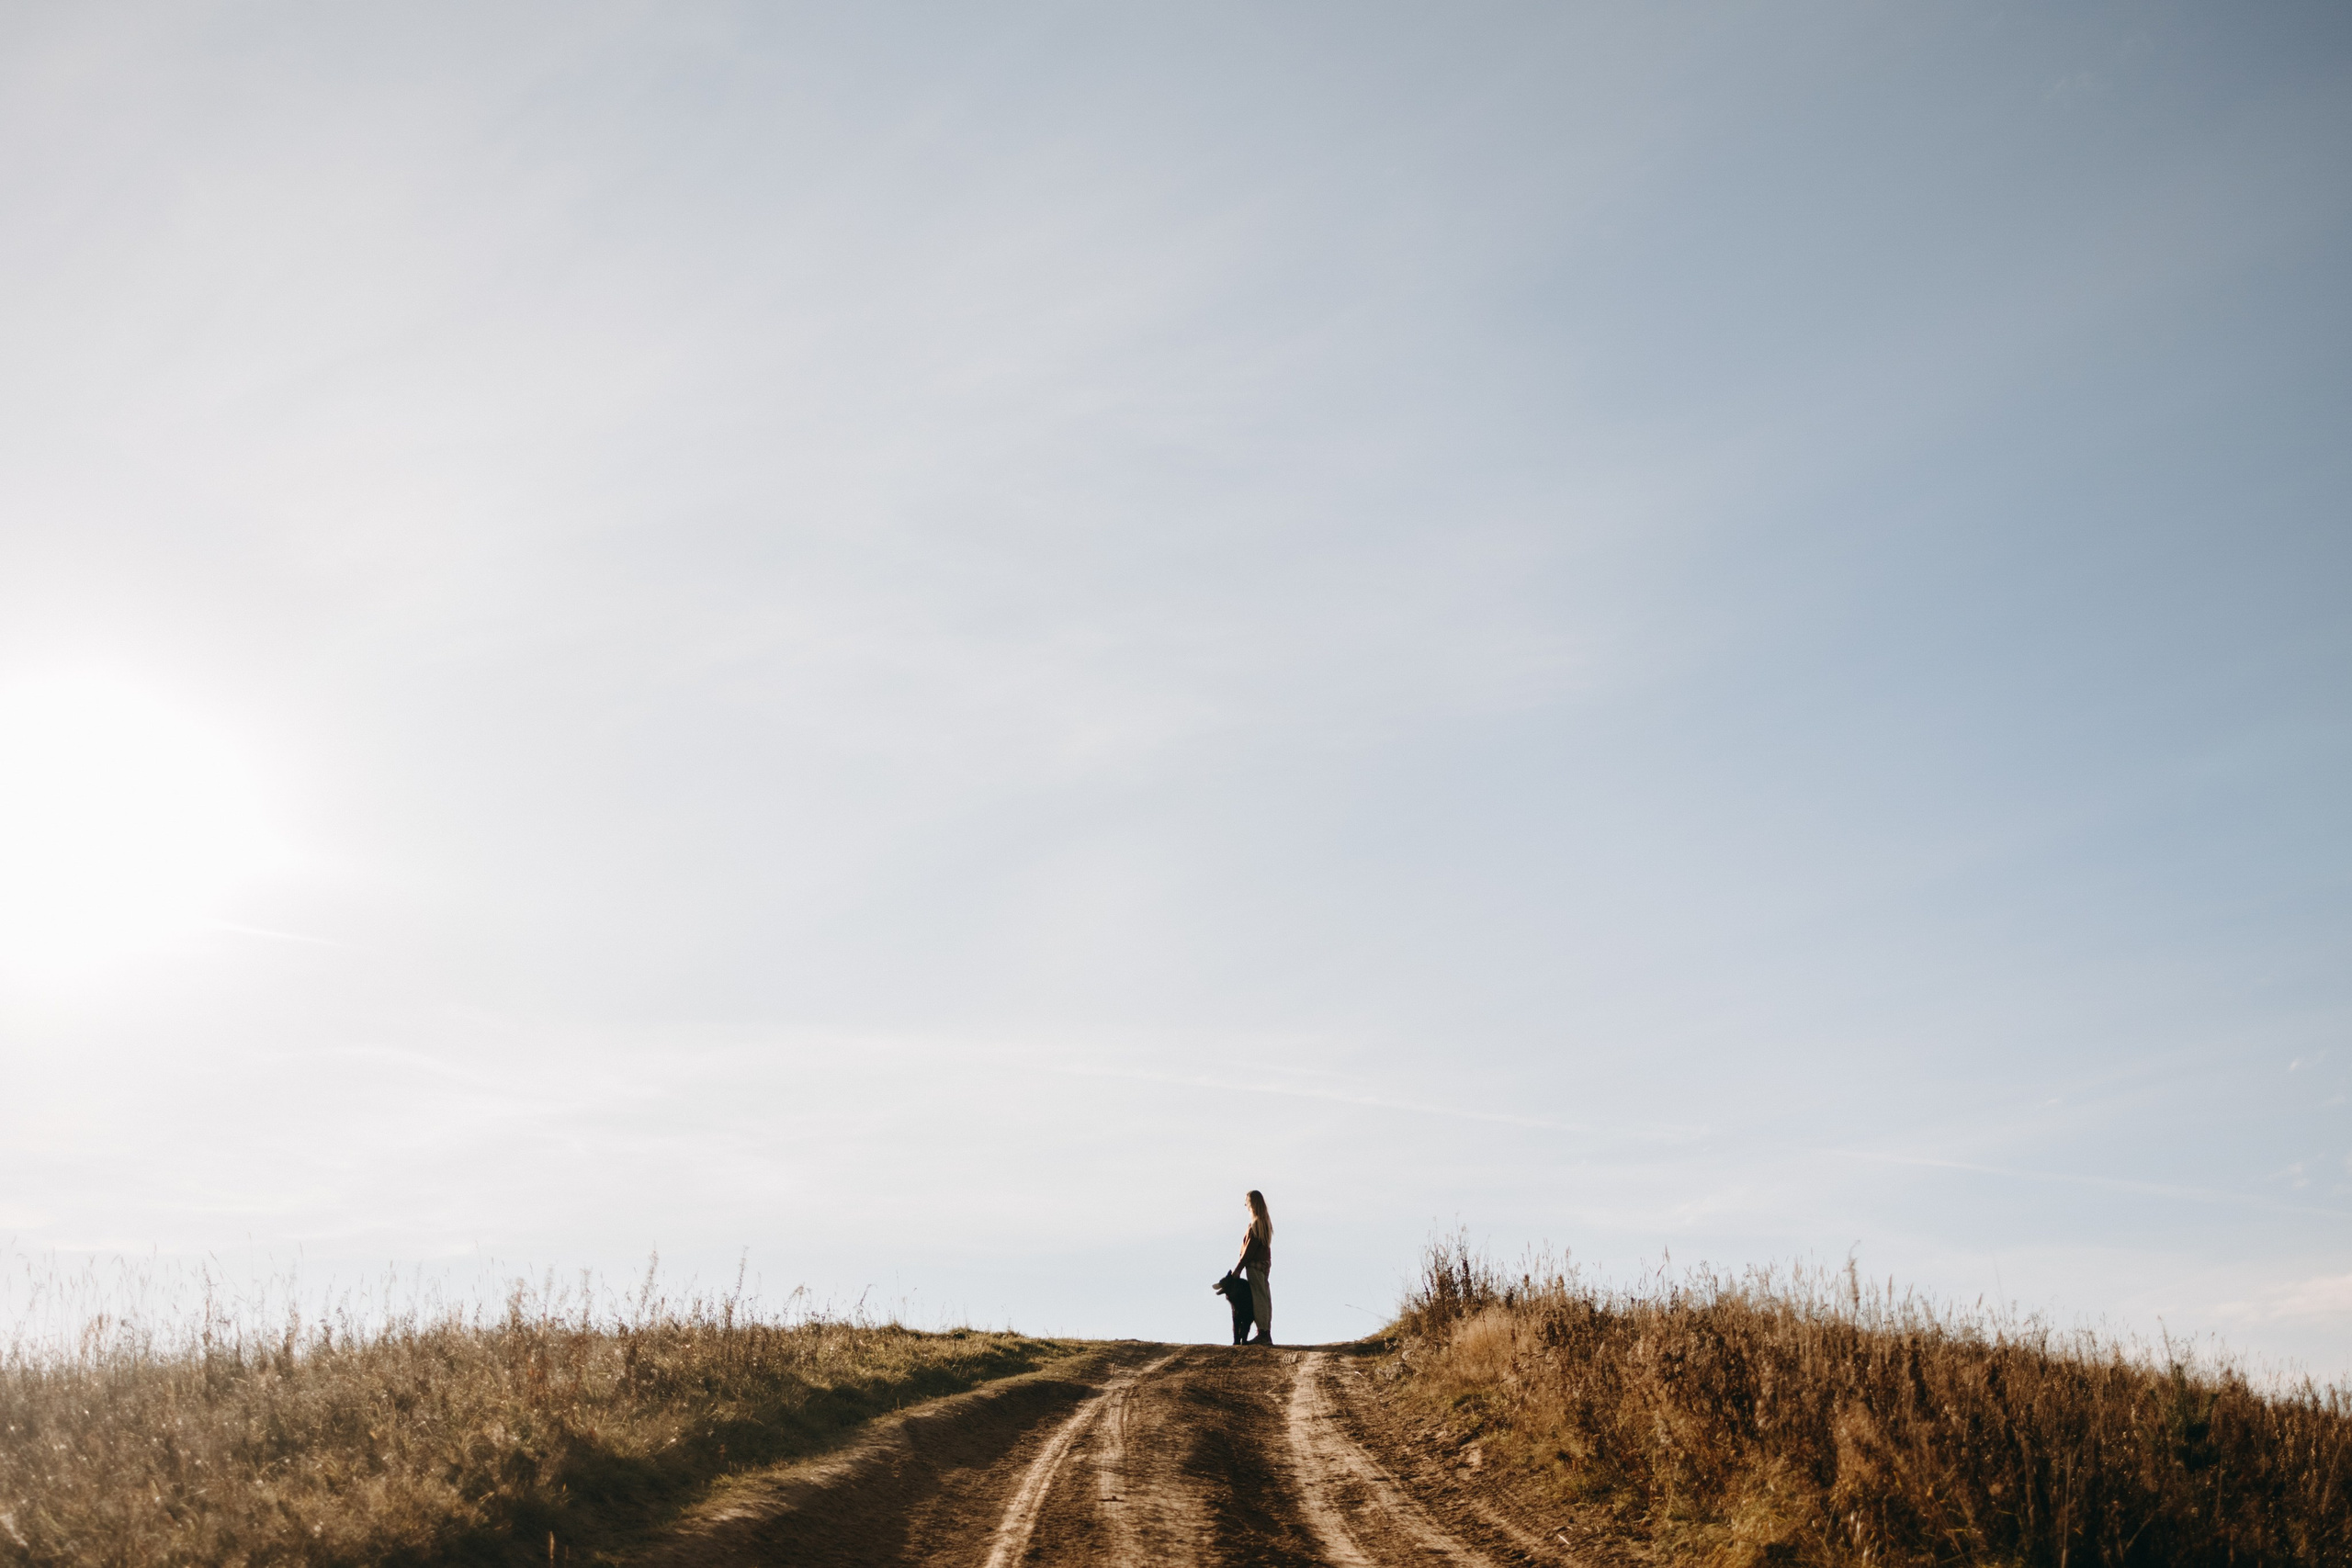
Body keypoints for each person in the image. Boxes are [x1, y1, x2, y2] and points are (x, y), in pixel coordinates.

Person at [1233, 1189, 1273, 1345]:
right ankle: (1265, 1332)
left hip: (1255, 1266)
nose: (1245, 1205)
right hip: (1263, 1265)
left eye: (1247, 1202)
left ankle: (1263, 1333)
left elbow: (1249, 1250)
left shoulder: (1256, 1224)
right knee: (1264, 1297)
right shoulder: (1264, 1223)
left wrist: (1238, 1268)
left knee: (1259, 1298)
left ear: (1253, 1203)